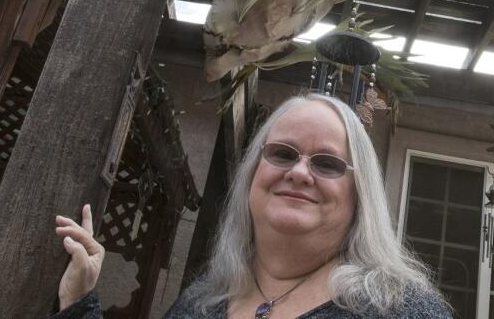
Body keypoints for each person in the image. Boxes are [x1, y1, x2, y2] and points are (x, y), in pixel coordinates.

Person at [51, 92, 451, 319]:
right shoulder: (201, 304)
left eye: (326, 163)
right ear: (252, 174)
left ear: (360, 195)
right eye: (281, 153)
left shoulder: (401, 310)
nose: (298, 172)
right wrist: (80, 299)